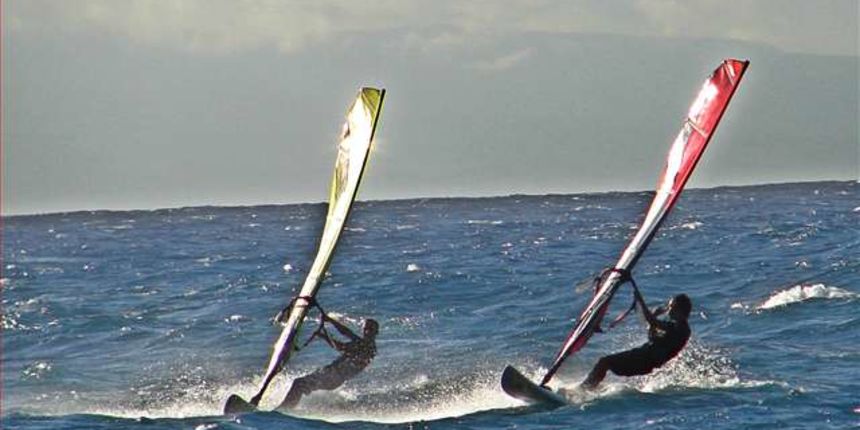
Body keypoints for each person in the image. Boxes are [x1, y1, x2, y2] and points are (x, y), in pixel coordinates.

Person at [580, 288, 691, 389]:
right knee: (605, 363)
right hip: (645, 360)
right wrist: (654, 319)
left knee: (604, 362)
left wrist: (640, 299)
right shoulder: (678, 327)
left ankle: (585, 389)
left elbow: (651, 321)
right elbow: (654, 338)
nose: (669, 310)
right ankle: (591, 386)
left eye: (672, 307)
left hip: (643, 360)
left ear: (680, 310)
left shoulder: (680, 327)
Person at [278, 316, 378, 410]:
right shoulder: (365, 343)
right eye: (365, 328)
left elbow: (340, 347)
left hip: (333, 377)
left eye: (369, 329)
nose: (366, 331)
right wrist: (330, 320)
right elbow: (347, 332)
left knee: (299, 384)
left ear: (375, 332)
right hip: (332, 375)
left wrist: (325, 335)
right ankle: (287, 407)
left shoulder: (367, 346)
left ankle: (285, 409)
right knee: (300, 385)